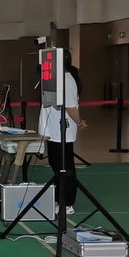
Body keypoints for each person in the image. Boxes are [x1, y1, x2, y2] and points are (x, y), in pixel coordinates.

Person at [38, 53, 87, 215]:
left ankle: (68, 202)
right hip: (52, 131)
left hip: (62, 131)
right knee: (56, 166)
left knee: (65, 167)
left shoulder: (68, 80)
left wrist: (79, 122)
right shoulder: (54, 79)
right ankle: (59, 198)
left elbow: (71, 108)